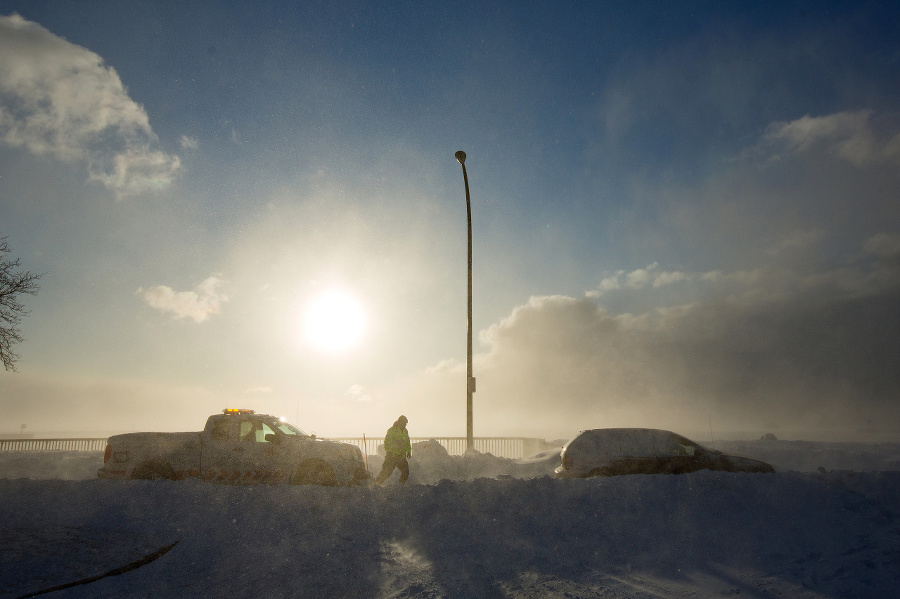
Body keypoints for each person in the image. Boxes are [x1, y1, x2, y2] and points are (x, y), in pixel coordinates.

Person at [375, 415, 411, 485]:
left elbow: (407, 442)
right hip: (392, 456)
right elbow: (387, 442)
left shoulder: (405, 431)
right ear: (399, 422)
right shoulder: (392, 430)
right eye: (404, 423)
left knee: (405, 472)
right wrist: (390, 451)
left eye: (405, 423)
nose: (405, 425)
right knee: (386, 473)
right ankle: (376, 484)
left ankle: (400, 486)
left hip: (401, 457)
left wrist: (408, 451)